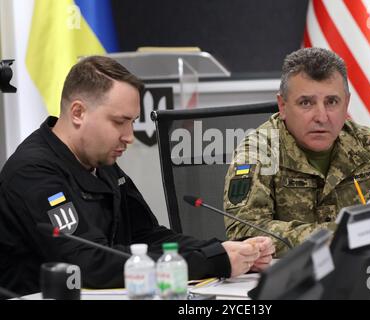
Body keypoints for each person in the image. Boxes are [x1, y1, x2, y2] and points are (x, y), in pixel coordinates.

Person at [0, 56, 274, 296]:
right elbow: (87, 264)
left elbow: (147, 235)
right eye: (119, 122)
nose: (129, 137)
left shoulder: (100, 158)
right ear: (78, 113)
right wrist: (210, 260)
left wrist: (227, 250)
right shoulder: (33, 172)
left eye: (132, 122)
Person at [223, 47, 370, 256]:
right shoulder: (259, 151)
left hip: (361, 270)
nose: (321, 116)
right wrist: (338, 236)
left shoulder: (365, 142)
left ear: (346, 104)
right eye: (306, 103)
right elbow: (243, 231)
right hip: (291, 280)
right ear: (282, 106)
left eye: (332, 102)